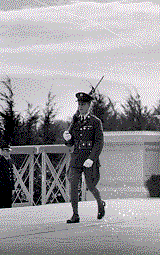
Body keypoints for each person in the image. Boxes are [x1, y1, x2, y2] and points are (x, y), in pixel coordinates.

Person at [63, 91, 106, 223]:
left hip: (88, 159)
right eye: (79, 104)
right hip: (76, 158)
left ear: (89, 106)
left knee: (91, 185)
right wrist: (67, 139)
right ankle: (75, 215)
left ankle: (100, 203)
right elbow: (71, 143)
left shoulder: (95, 122)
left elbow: (99, 142)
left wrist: (92, 158)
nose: (80, 107)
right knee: (73, 186)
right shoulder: (75, 121)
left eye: (83, 104)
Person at [0, 143, 14, 209]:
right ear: (3, 151)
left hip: (8, 187)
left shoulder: (9, 161)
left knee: (8, 204)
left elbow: (11, 175)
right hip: (1, 187)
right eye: (6, 151)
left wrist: (12, 186)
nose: (8, 152)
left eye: (9, 151)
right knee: (0, 204)